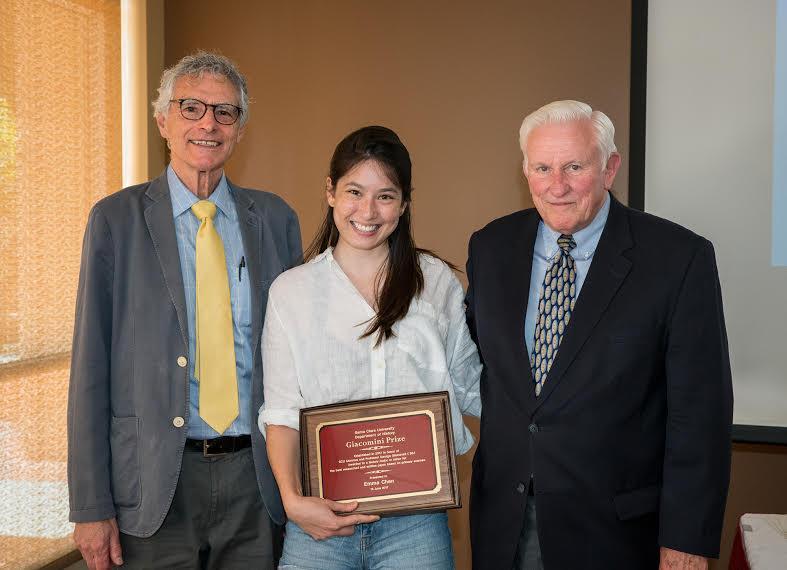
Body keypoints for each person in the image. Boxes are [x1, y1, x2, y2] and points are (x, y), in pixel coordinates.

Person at [465, 100, 733, 569]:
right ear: (525, 171)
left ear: (610, 168)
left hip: (617, 533)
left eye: (574, 166)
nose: (557, 185)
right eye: (542, 168)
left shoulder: (677, 259)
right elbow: (469, 363)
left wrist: (687, 541)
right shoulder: (490, 247)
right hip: (505, 525)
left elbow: (700, 414)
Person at [67, 51, 302, 570]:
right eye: (191, 107)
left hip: (257, 478)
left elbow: (302, 360)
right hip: (153, 483)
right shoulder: (115, 221)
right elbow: (89, 370)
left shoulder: (276, 220)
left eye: (225, 112)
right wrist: (90, 506)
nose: (208, 124)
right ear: (162, 121)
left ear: (240, 129)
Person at [260, 125, 481, 569]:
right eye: (354, 192)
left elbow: (471, 383)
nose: (368, 211)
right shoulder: (292, 291)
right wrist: (291, 499)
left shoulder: (434, 281)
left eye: (385, 196)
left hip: (416, 525)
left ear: (404, 203)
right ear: (330, 192)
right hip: (319, 520)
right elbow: (281, 411)